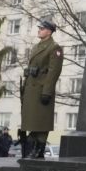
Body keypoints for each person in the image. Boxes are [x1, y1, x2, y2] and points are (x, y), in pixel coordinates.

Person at [20, 19, 63, 159]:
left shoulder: (54, 48)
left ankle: (38, 150)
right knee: (33, 120)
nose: (39, 30)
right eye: (39, 28)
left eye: (42, 28)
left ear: (49, 31)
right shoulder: (37, 47)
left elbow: (53, 71)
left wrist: (47, 91)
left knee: (41, 121)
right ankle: (33, 150)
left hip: (42, 89)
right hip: (31, 89)